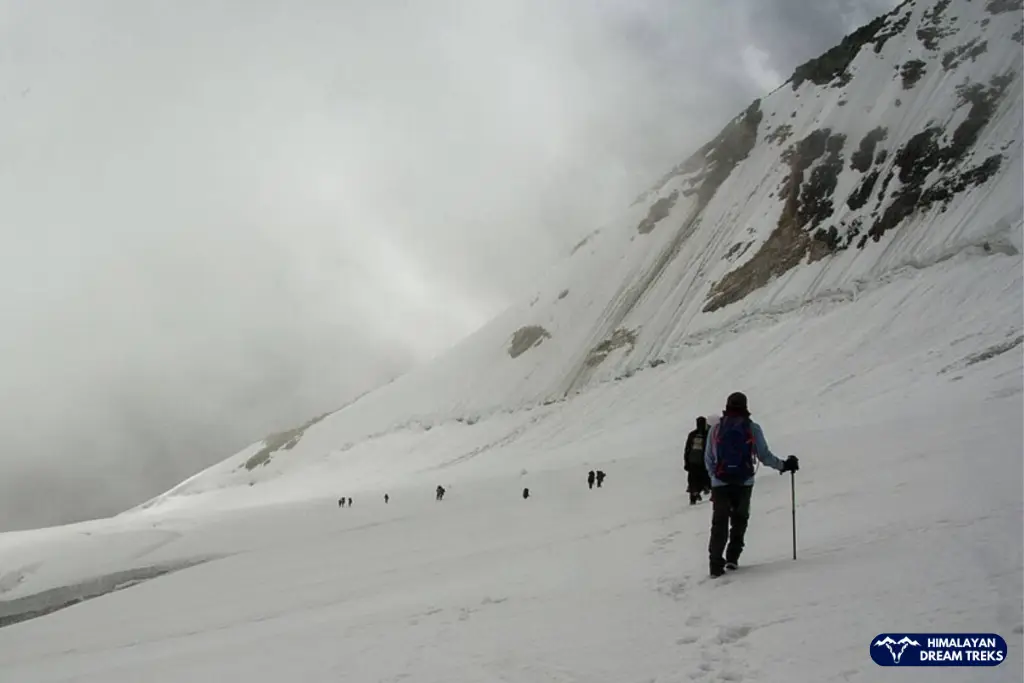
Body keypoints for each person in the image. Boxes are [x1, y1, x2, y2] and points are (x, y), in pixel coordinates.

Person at [704, 392, 798, 577]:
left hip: (720, 483)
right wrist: (784, 465)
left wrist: (715, 478)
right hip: (744, 482)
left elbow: (708, 458)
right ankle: (732, 558)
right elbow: (764, 456)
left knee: (719, 523)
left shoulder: (715, 429)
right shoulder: (752, 428)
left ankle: (715, 564)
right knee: (740, 520)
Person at [683, 416, 712, 504]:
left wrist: (686, 461)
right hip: (703, 462)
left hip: (692, 462)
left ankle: (694, 495)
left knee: (693, 479)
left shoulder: (692, 435)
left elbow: (687, 449)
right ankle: (704, 488)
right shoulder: (708, 434)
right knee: (704, 477)